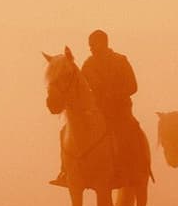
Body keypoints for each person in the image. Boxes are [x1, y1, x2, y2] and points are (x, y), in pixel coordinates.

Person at [50, 29, 140, 187]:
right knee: (65, 131)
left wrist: (113, 94)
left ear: (104, 43)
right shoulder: (88, 65)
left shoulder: (120, 61)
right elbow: (81, 88)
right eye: (90, 45)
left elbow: (133, 86)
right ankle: (66, 170)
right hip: (97, 111)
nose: (91, 48)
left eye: (94, 45)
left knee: (125, 132)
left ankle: (128, 169)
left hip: (119, 110)